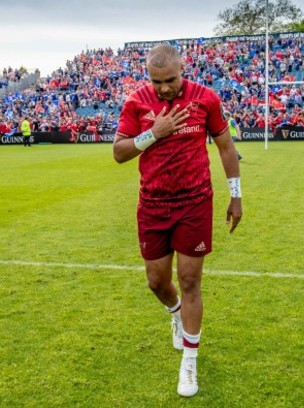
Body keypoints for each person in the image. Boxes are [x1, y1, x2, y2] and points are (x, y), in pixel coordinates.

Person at [112, 44, 242, 398]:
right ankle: (176, 312)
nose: (164, 88)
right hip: (152, 204)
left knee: (189, 279)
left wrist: (236, 194)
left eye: (170, 80)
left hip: (194, 203)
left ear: (182, 70)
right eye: (157, 81)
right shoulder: (136, 102)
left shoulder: (205, 99)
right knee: (157, 282)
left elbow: (226, 146)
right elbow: (119, 152)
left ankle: (189, 361)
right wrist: (154, 133)